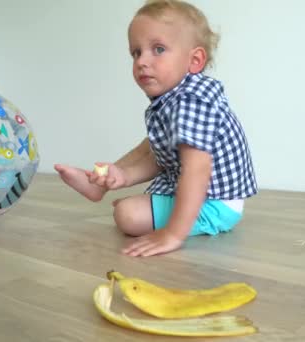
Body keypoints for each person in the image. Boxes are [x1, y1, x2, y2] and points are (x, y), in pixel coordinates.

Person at [54, 0, 257, 257]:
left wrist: (172, 234)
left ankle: (126, 197)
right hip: (204, 196)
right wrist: (121, 174)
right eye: (136, 52)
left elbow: (197, 170)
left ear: (194, 60)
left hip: (214, 205)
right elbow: (155, 154)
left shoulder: (191, 101)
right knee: (150, 145)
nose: (142, 61)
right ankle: (104, 183)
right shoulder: (173, 99)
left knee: (126, 214)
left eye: (158, 49)